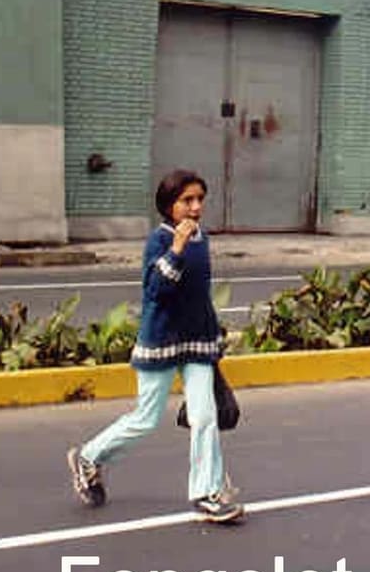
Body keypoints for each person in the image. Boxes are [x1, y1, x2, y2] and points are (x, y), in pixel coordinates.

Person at [67, 169, 244, 524]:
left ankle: (207, 493)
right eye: (186, 201)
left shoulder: (202, 238)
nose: (195, 208)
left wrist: (214, 340)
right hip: (161, 341)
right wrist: (176, 248)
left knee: (205, 417)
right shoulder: (160, 240)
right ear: (169, 206)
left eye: (199, 200)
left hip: (197, 343)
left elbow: (199, 296)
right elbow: (156, 291)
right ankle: (89, 456)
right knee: (146, 419)